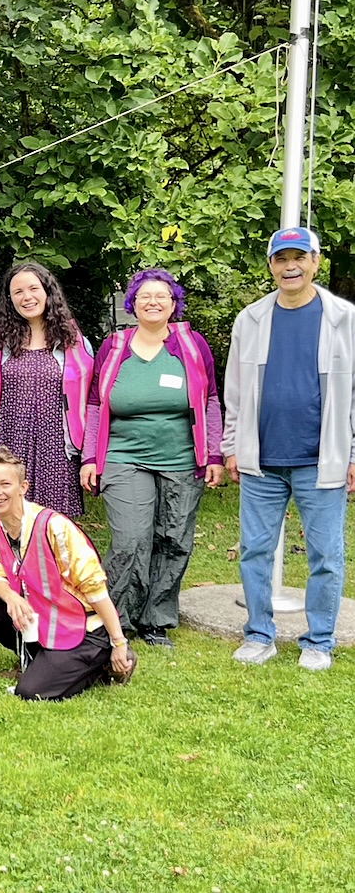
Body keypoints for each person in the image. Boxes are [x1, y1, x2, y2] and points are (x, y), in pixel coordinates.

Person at [225, 227, 355, 671]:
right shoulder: (251, 319)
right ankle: (259, 635)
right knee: (255, 551)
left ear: (317, 262)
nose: (291, 266)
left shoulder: (343, 318)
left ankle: (319, 641)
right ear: (271, 266)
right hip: (262, 460)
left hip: (323, 460)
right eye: (282, 259)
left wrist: (353, 453)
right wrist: (230, 447)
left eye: (300, 257)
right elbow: (236, 393)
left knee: (325, 555)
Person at [80, 268, 223, 649]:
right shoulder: (114, 347)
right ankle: (119, 618)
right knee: (130, 538)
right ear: (133, 304)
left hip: (181, 458)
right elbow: (95, 404)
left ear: (174, 303)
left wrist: (214, 454)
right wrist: (90, 457)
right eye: (145, 296)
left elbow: (209, 400)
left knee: (173, 538)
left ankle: (156, 619)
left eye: (162, 296)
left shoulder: (192, 345)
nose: (154, 301)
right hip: (124, 457)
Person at [0, 448, 135, 700]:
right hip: (41, 616)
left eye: (5, 484)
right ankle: (41, 659)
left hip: (83, 627)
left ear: (23, 487)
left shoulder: (54, 526)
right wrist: (12, 598)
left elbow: (95, 587)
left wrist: (118, 641)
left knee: (30, 692)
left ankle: (101, 660)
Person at [0, 262, 93, 517]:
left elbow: (92, 397)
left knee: (52, 526)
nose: (27, 297)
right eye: (18, 292)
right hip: (8, 441)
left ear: (48, 292)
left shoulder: (74, 341)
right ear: (9, 298)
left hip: (55, 447)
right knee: (6, 521)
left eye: (33, 289)